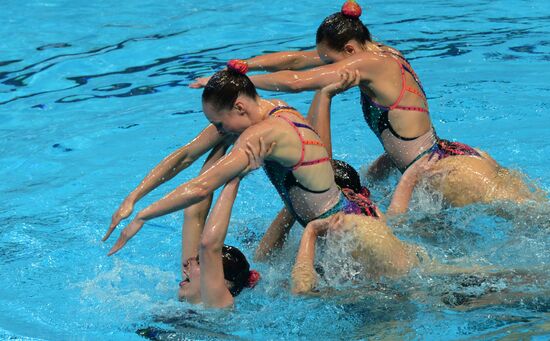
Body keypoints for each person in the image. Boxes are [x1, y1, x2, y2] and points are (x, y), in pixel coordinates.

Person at [189, 1, 543, 208]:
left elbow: (296, 81)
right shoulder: (380, 52)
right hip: (447, 157)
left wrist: (241, 91)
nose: (327, 68)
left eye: (330, 61)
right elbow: (298, 61)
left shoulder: (370, 65)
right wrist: (243, 67)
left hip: (446, 175)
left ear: (348, 52)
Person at [103, 60, 419, 268]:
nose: (219, 132)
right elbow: (186, 155)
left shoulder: (263, 136)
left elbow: (201, 186)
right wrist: (134, 196)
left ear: (239, 107)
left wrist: (144, 215)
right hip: (349, 224)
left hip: (349, 236)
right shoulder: (278, 111)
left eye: (220, 123)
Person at [178, 177, 260, 308]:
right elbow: (193, 215)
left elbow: (209, 245)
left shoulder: (218, 308)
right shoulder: (192, 296)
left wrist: (237, 175)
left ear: (223, 283)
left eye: (201, 262)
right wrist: (221, 166)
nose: (187, 262)